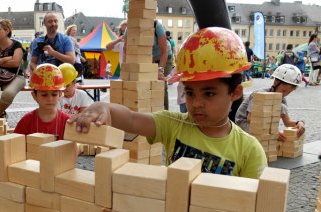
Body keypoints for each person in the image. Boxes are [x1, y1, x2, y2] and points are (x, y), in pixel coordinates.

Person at [69, 27, 267, 179]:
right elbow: (130, 119)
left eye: (209, 94)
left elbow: (255, 211)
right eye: (190, 93)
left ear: (235, 92)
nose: (197, 103)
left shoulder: (249, 150)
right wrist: (103, 107)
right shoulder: (174, 124)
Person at [235, 64, 306, 141]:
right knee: (266, 138)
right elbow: (250, 119)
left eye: (288, 92)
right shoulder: (260, 94)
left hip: (262, 125)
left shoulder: (282, 100)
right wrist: (270, 131)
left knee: (272, 138)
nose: (284, 94)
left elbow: (287, 122)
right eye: (283, 90)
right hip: (244, 122)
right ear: (275, 82)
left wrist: (299, 123)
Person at [14, 64, 71, 140]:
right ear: (34, 95)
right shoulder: (26, 121)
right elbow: (15, 144)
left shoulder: (67, 121)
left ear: (60, 94)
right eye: (44, 95)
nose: (50, 99)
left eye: (54, 94)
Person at [0, 19, 26, 118]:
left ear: (7, 31)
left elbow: (15, 63)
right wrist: (5, 59)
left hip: (16, 77)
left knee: (8, 94)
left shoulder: (16, 45)